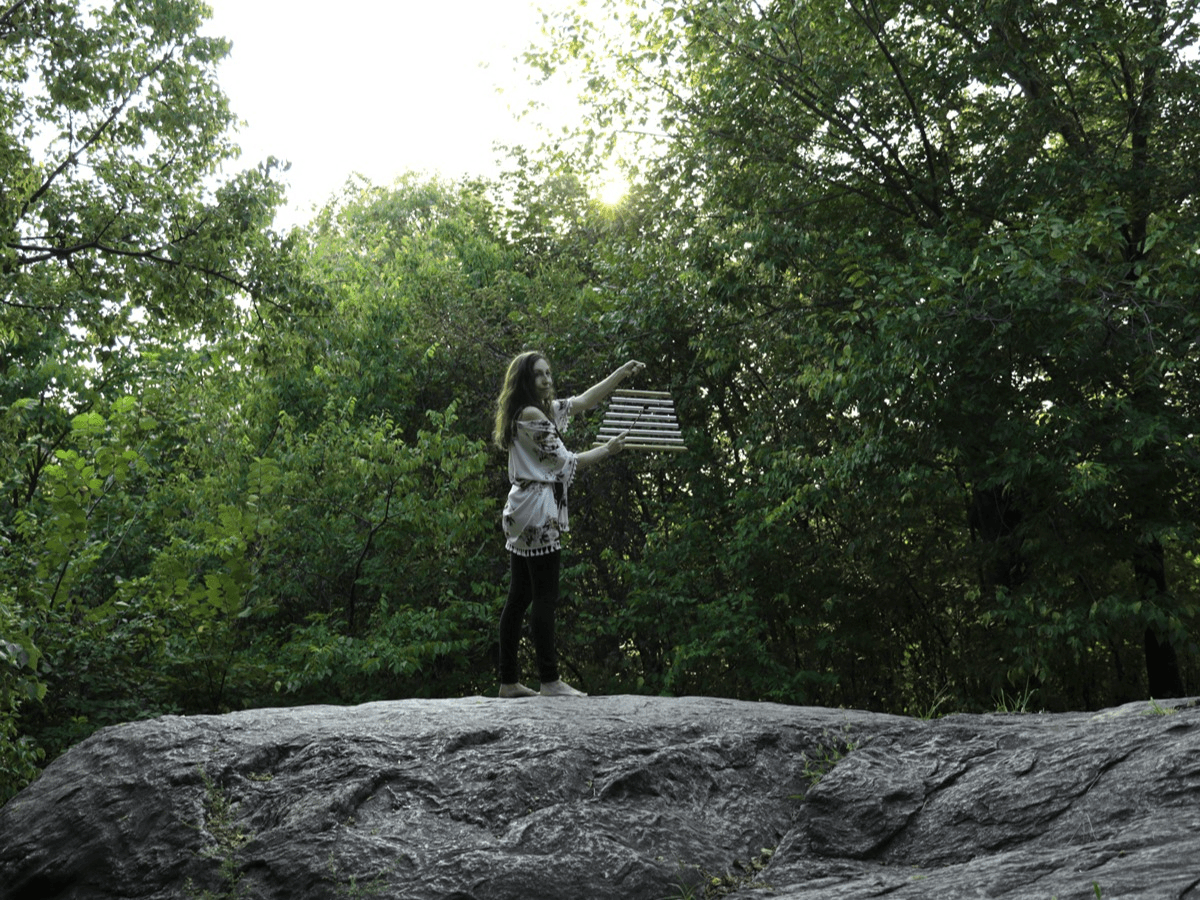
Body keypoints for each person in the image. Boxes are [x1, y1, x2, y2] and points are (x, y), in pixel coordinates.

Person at [492, 351, 645, 698]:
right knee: (545, 596)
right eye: (539, 375)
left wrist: (620, 371)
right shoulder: (532, 415)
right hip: (536, 510)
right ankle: (550, 681)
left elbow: (584, 401)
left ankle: (508, 681)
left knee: (519, 596)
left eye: (548, 373)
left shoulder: (533, 410)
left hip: (522, 508)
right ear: (525, 382)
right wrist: (608, 449)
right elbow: (566, 462)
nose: (547, 379)